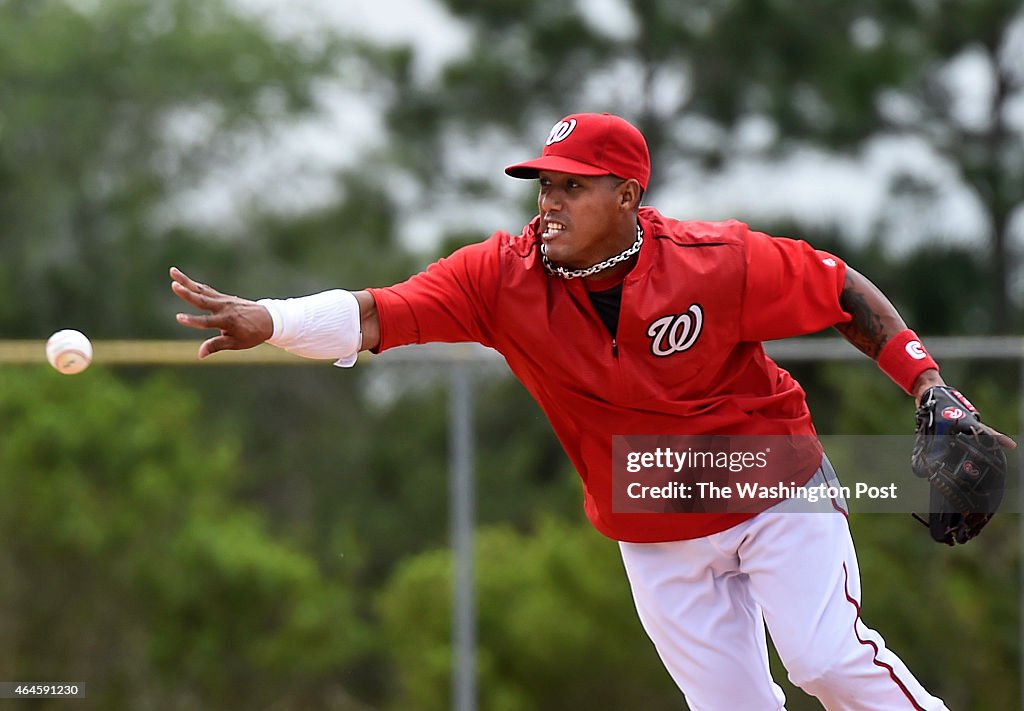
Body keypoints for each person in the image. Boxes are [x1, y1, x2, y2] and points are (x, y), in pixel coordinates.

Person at [170, 112, 1013, 710]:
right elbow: (373, 312)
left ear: (627, 193)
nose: (549, 203)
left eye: (573, 188)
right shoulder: (497, 279)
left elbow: (840, 293)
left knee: (826, 660)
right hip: (650, 524)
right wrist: (270, 320)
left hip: (771, 486)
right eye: (544, 186)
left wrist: (931, 386)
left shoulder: (714, 261)